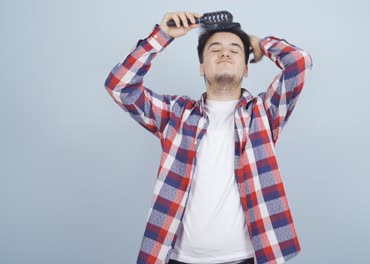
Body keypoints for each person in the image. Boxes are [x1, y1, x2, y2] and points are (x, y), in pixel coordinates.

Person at [104, 11, 312, 264]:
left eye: (235, 50)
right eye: (215, 49)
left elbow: (299, 62)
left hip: (247, 258)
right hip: (178, 259)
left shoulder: (264, 113)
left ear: (246, 68)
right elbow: (119, 86)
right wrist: (161, 37)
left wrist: (258, 43)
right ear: (202, 66)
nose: (225, 53)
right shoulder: (175, 115)